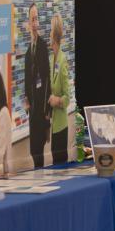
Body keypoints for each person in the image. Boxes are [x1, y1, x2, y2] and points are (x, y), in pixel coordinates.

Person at [24, 3, 51, 168]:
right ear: (28, 23)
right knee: (33, 150)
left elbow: (47, 79)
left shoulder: (42, 47)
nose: (34, 23)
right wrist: (26, 101)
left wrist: (48, 112)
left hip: (42, 109)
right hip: (32, 111)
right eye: (32, 19)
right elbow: (28, 81)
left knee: (39, 149)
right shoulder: (28, 52)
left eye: (36, 19)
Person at [48, 12, 70, 164]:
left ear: (54, 36)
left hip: (61, 125)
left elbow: (67, 98)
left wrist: (57, 101)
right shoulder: (51, 60)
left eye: (50, 32)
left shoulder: (62, 62)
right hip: (53, 123)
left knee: (60, 162)